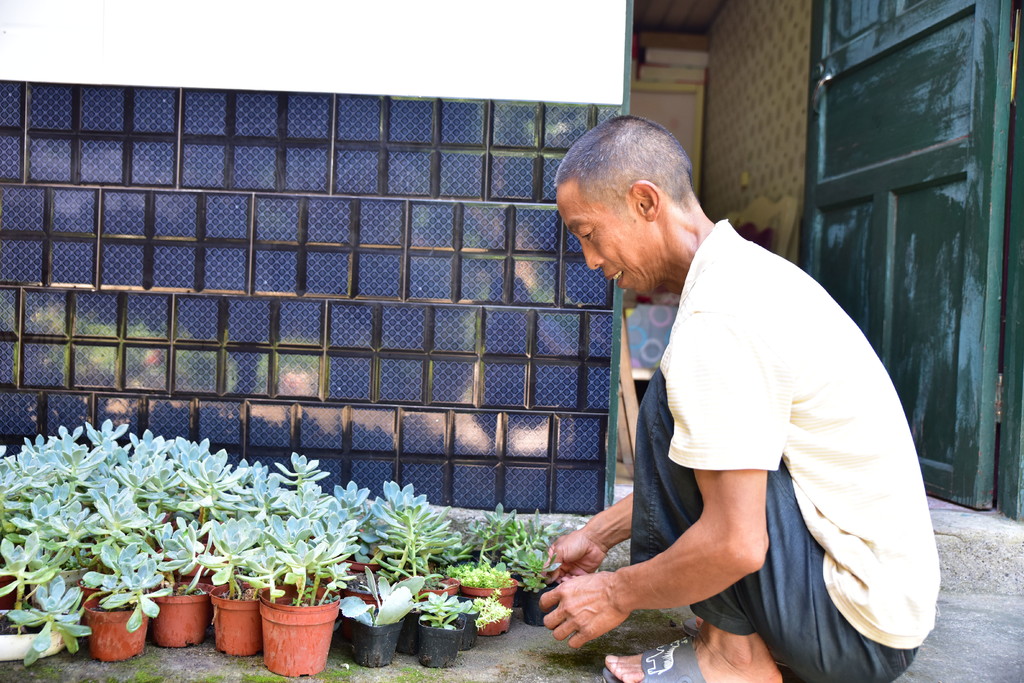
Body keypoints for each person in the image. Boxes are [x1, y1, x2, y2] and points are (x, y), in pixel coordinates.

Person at [539, 115, 940, 683]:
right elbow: (725, 472)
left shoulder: (719, 319)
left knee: (664, 409)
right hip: (877, 617)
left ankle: (733, 660)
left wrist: (614, 593)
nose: (591, 261)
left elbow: (737, 543)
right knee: (685, 420)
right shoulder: (742, 274)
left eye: (587, 233)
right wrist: (600, 534)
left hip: (856, 631)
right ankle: (727, 645)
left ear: (645, 202)